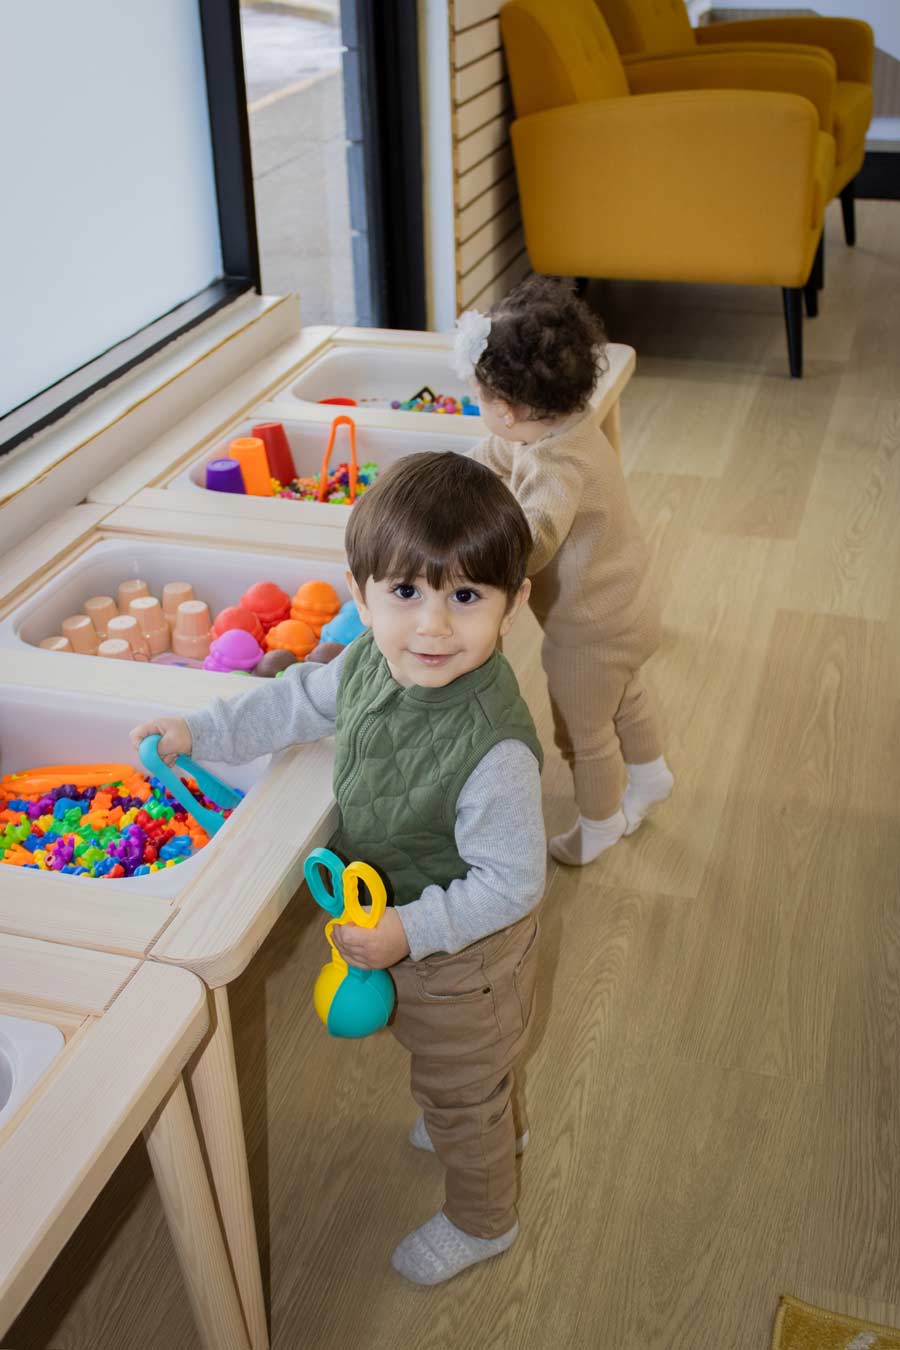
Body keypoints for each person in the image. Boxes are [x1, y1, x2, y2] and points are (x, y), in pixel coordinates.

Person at [130, 451, 546, 1286]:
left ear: (515, 603)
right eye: (404, 593)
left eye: (465, 597)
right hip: (401, 928)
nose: (431, 626)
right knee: (445, 1064)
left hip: (464, 952)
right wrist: (201, 733)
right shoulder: (365, 662)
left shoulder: (494, 750)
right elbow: (294, 703)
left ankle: (484, 1214)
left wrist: (408, 931)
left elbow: (513, 883)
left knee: (464, 1082)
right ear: (359, 594)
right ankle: (473, 1102)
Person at [457, 275, 673, 866]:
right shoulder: (564, 425)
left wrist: (476, 558)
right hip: (629, 608)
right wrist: (455, 476)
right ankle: (651, 778)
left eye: (479, 401)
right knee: (625, 696)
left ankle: (600, 825)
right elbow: (501, 455)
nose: (482, 414)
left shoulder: (555, 467)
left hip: (588, 630)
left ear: (507, 409)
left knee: (584, 731)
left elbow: (536, 538)